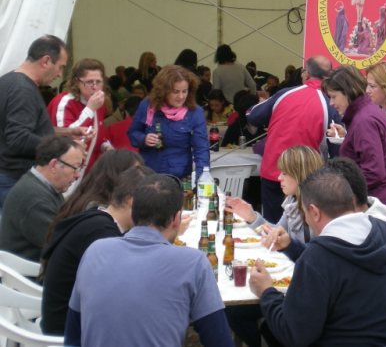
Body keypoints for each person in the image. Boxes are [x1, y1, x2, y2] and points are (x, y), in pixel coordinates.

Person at [249, 169, 386, 346]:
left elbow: (294, 335)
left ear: (314, 211)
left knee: (265, 326)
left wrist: (266, 291)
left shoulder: (318, 257)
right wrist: (292, 247)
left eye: (304, 211)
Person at [64, 174, 232, 347]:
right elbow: (219, 341)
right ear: (176, 219)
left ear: (134, 213)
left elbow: (72, 335)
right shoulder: (193, 262)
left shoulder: (95, 250)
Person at [224, 145, 323, 347]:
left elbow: (317, 260)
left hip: (304, 292)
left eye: (285, 173)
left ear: (301, 175)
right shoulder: (293, 203)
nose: (279, 177)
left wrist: (288, 244)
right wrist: (252, 217)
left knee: (235, 311)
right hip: (290, 282)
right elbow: (276, 237)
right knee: (233, 309)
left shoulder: (318, 213)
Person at [41, 165, 154, 335]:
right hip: (66, 330)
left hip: (64, 318)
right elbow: (119, 293)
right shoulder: (102, 234)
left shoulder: (98, 218)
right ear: (132, 200)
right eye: (152, 203)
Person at [246, 55, 339, 222]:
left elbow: (252, 116)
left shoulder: (285, 94)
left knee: (272, 228)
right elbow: (337, 150)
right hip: (306, 178)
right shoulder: (330, 105)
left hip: (274, 172)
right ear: (329, 76)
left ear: (306, 73)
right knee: (303, 229)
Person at [0, 35, 87, 206]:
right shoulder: (23, 90)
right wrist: (63, 148)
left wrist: (67, 133)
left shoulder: (8, 81)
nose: (60, 74)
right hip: (12, 180)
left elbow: (30, 129)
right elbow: (18, 138)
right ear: (46, 61)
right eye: (60, 67)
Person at [325, 65, 386, 226]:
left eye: (334, 96)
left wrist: (340, 190)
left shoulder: (364, 120)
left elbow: (374, 171)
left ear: (348, 92)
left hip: (384, 203)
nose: (331, 103)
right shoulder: (366, 113)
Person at [0, 136, 84, 261]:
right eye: (75, 168)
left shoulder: (43, 187)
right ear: (54, 165)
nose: (77, 175)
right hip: (27, 275)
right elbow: (63, 247)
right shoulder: (35, 200)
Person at [128, 65, 209, 179]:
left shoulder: (195, 113)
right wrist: (143, 139)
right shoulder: (147, 105)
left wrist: (202, 180)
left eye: (184, 91)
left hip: (178, 176)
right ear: (163, 91)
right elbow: (133, 133)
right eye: (175, 92)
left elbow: (201, 150)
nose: (181, 97)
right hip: (148, 173)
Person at [47, 58, 110, 174]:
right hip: (66, 172)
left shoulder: (99, 103)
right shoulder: (64, 102)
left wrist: (106, 146)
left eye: (99, 82)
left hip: (90, 171)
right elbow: (66, 139)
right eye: (89, 82)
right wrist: (90, 109)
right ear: (77, 82)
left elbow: (97, 135)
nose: (95, 87)